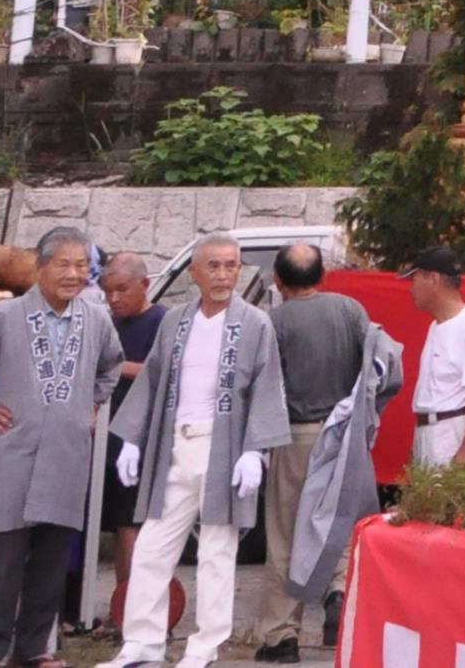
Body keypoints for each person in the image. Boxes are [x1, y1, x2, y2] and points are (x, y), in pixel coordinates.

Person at [0, 224, 119, 668]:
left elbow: (110, 365)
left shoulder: (95, 319)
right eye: (63, 264)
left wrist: (89, 403)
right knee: (2, 560)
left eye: (81, 266)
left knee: (52, 559)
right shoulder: (6, 316)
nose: (74, 274)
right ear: (40, 267)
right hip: (14, 451)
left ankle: (35, 648)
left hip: (68, 453)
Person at [105, 233, 289, 668]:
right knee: (152, 546)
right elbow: (151, 379)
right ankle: (142, 644)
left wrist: (254, 451)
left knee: (216, 552)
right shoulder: (177, 321)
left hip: (223, 446)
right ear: (195, 273)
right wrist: (132, 438)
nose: (224, 274)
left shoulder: (255, 323)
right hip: (175, 444)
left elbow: (267, 385)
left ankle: (204, 648)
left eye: (231, 265)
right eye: (214, 266)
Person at [245, 244, 368, 661]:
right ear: (323, 276)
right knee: (339, 524)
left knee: (285, 535)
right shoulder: (351, 310)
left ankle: (282, 635)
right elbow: (376, 368)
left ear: (277, 281)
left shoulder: (271, 322)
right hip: (344, 434)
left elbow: (259, 386)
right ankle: (338, 592)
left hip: (293, 436)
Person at [92, 250, 167, 638]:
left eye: (122, 290)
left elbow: (164, 371)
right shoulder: (112, 324)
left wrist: (114, 367)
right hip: (108, 437)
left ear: (144, 285)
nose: (114, 299)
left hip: (140, 441)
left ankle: (142, 612)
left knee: (134, 529)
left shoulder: (162, 321)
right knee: (118, 528)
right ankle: (121, 608)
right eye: (108, 291)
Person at [404, 247, 465, 471]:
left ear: (433, 279)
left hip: (453, 430)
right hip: (431, 430)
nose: (411, 289)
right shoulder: (436, 326)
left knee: (449, 505)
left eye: (415, 279)